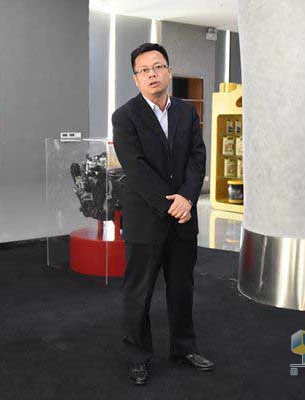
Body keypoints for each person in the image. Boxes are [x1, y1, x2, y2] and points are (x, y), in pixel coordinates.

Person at [112, 43, 214, 386]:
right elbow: (135, 168)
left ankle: (184, 349)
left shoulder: (187, 112)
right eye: (144, 70)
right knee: (138, 292)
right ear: (136, 78)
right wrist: (172, 203)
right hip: (147, 218)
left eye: (158, 67)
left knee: (182, 288)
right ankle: (138, 357)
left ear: (169, 71)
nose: (152, 74)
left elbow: (197, 158)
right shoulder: (125, 116)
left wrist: (187, 197)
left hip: (183, 220)